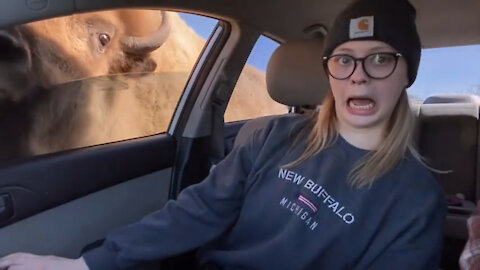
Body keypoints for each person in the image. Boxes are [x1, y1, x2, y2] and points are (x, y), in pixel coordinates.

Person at [0, 0, 446, 269]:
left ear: (407, 72)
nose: (359, 77)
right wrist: (86, 263)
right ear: (329, 71)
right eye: (344, 59)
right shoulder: (274, 136)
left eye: (381, 59)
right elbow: (195, 213)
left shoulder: (415, 199)